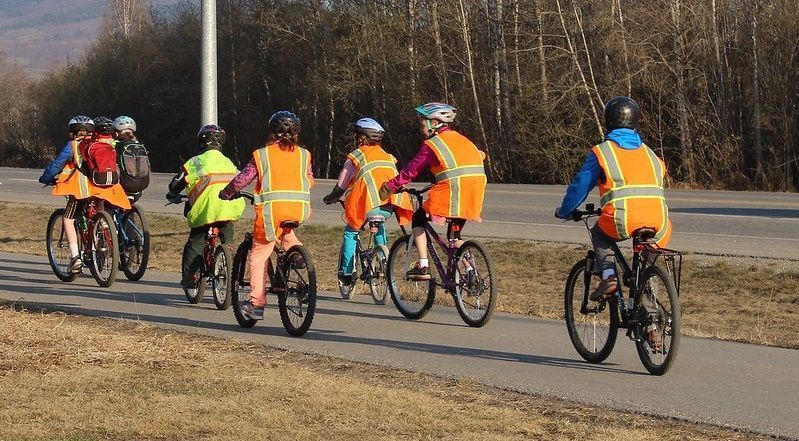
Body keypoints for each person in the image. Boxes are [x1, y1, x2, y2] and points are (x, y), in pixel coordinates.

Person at [554, 96, 672, 350]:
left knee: (600, 234)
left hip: (622, 217)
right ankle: (652, 327)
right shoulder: (651, 153)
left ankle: (608, 276)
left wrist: (565, 211)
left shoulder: (602, 152)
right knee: (646, 267)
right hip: (659, 220)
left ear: (608, 122)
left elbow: (580, 187)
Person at [219, 111, 314, 321]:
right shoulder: (304, 155)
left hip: (272, 212)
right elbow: (310, 179)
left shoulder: (262, 155)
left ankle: (256, 304)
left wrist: (227, 192)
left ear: (271, 132)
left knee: (259, 255)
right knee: (286, 233)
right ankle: (297, 256)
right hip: (298, 208)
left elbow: (243, 179)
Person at [378, 102, 487, 281]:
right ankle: (470, 272)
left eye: (423, 124)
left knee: (419, 218)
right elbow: (480, 155)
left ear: (434, 123)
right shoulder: (463, 139)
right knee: (454, 236)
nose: (421, 128)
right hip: (475, 189)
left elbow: (411, 170)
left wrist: (390, 186)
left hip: (453, 189)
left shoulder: (433, 144)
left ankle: (423, 265)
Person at [322, 118, 413, 294]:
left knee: (351, 231)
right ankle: (382, 258)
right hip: (390, 204)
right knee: (379, 225)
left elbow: (342, 184)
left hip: (367, 204)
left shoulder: (356, 156)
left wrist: (331, 197)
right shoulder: (389, 157)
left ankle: (347, 273)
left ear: (361, 137)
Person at [39, 116, 131, 274]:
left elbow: (56, 165)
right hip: (104, 188)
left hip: (82, 191)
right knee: (99, 212)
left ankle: (76, 258)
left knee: (68, 219)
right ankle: (103, 234)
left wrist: (46, 178)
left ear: (71, 132)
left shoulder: (73, 145)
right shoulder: (103, 143)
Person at [166, 124, 246, 297]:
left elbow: (176, 184)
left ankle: (189, 277)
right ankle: (228, 257)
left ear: (201, 143)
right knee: (228, 232)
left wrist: (173, 193)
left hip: (206, 209)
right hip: (228, 208)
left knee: (195, 242)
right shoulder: (228, 162)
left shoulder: (195, 162)